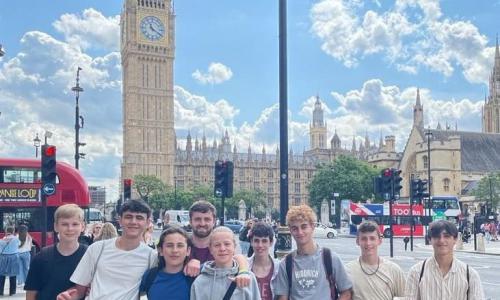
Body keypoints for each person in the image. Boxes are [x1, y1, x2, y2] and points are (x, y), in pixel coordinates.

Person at [57, 199, 157, 300]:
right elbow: (79, 290)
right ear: (120, 220)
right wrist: (67, 297)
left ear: (148, 222)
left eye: (139, 218)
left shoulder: (151, 257)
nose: (133, 222)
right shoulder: (97, 249)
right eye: (128, 217)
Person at [274, 204, 352, 300]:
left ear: (313, 226)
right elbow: (282, 297)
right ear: (290, 230)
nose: (300, 232)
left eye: (304, 227)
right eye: (295, 228)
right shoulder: (286, 264)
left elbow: (346, 292)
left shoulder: (330, 258)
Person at [405, 220, 485, 300]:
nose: (441, 240)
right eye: (436, 236)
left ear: (455, 239)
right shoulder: (416, 273)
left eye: (446, 236)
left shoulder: (470, 275)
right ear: (430, 240)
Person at [24, 204, 87, 300]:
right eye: (64, 224)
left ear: (82, 227)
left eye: (75, 224)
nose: (70, 229)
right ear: (56, 226)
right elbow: (31, 293)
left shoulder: (89, 255)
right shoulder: (41, 257)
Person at [184, 200, 251, 288]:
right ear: (190, 221)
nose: (202, 223)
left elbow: (237, 257)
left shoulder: (221, 245)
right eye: (197, 219)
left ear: (214, 221)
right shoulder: (181, 245)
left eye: (207, 219)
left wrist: (243, 271)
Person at [190, 226, 261, 300]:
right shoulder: (199, 283)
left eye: (227, 244)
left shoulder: (248, 278)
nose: (222, 249)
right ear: (210, 249)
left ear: (234, 247)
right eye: (217, 245)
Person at [345, 221, 405, 300]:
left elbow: (404, 297)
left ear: (380, 241)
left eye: (372, 238)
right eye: (364, 239)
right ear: (357, 241)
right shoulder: (348, 270)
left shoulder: (394, 270)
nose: (368, 243)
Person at [140, 227, 193, 300]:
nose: (175, 250)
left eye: (180, 245)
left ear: (188, 251)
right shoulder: (149, 277)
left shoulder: (194, 278)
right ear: (160, 250)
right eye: (169, 245)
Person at [248, 222, 279, 300]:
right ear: (251, 242)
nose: (260, 245)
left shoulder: (279, 267)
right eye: (256, 241)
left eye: (264, 241)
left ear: (271, 242)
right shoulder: (244, 266)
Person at [0, 226, 20, 296]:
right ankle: (12, 292)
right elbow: (19, 245)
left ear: (6, 231)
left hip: (3, 258)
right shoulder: (16, 239)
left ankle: (0, 291)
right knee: (13, 275)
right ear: (13, 231)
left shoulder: (1, 240)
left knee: (1, 275)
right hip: (14, 257)